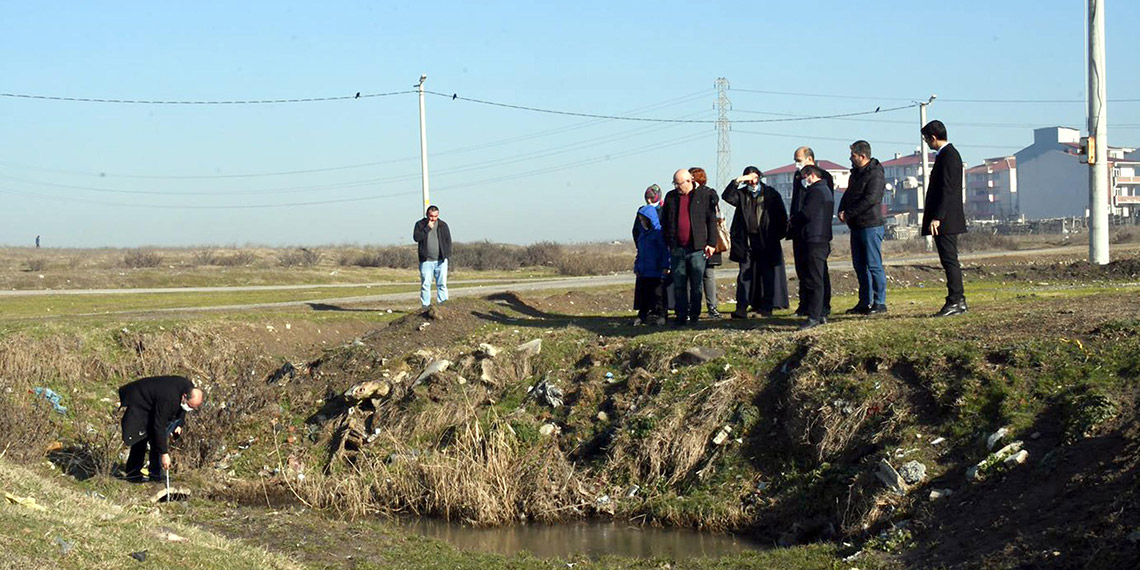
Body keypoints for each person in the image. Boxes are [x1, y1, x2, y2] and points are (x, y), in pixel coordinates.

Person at [722, 165, 789, 318]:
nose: (752, 183)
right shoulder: (742, 194)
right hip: (747, 242)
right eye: (749, 179)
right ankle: (741, 308)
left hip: (766, 241)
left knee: (767, 275)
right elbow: (726, 196)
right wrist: (738, 181)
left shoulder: (771, 194)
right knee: (744, 276)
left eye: (755, 178)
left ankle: (767, 307)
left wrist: (776, 236)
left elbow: (781, 217)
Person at [921, 120, 968, 317]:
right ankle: (959, 301)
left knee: (950, 260)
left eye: (926, 139)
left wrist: (937, 217)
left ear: (933, 137)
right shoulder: (947, 155)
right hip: (946, 218)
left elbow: (947, 189)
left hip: (946, 219)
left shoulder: (949, 156)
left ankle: (955, 300)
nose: (926, 143)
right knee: (948, 259)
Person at [118, 375, 204, 483]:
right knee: (140, 436)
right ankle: (133, 474)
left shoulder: (189, 388)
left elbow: (183, 409)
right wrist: (164, 454)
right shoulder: (168, 398)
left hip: (156, 402)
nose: (191, 409)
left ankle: (155, 475)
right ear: (184, 396)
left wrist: (180, 424)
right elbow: (159, 426)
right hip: (139, 400)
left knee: (157, 439)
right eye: (190, 406)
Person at [661, 168, 718, 325]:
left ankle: (694, 316)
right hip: (677, 247)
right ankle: (681, 315)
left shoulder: (703, 195)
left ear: (690, 181)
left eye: (680, 184)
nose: (678, 187)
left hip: (697, 248)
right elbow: (664, 221)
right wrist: (668, 241)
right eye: (675, 184)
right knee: (679, 284)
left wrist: (711, 243)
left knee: (696, 284)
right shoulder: (671, 197)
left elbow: (712, 220)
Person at [838, 140, 888, 315]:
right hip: (856, 226)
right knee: (860, 266)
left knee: (874, 265)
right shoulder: (855, 174)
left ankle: (880, 302)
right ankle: (864, 301)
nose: (850, 158)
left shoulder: (875, 173)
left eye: (853, 155)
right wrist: (841, 209)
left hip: (871, 225)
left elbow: (871, 199)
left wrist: (849, 213)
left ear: (862, 156)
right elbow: (849, 193)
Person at [789, 147, 834, 318]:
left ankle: (822, 306)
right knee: (803, 269)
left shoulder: (822, 177)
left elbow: (819, 208)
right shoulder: (797, 177)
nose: (797, 164)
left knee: (818, 271)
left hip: (816, 231)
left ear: (809, 159)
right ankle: (805, 305)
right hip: (800, 230)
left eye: (799, 160)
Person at [633, 188, 670, 326]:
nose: (641, 222)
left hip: (656, 270)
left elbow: (664, 251)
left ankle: (662, 314)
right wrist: (637, 266)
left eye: (643, 220)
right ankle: (642, 315)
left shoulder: (658, 233)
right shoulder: (642, 235)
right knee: (644, 295)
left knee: (659, 295)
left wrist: (666, 265)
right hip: (644, 270)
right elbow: (640, 253)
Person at [690, 167, 723, 318]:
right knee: (691, 277)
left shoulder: (709, 192)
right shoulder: (686, 196)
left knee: (708, 275)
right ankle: (692, 307)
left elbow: (715, 204)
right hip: (692, 242)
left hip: (708, 240)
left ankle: (712, 307)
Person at [412, 205, 452, 309]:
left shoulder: (443, 225)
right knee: (425, 285)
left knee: (442, 284)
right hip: (426, 261)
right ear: (427, 215)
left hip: (441, 261)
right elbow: (416, 238)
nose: (433, 218)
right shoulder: (420, 224)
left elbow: (448, 241)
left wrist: (446, 255)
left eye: (435, 216)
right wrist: (427, 228)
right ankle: (425, 306)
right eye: (431, 216)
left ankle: (443, 305)